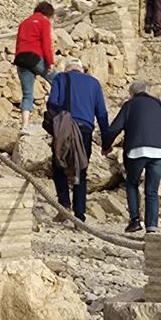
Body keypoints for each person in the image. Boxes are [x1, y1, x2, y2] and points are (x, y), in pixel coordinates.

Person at [108, 78, 161, 233]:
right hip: (159, 152)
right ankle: (151, 227)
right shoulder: (159, 103)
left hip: (136, 152)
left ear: (131, 94)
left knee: (132, 183)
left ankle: (134, 221)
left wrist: (106, 146)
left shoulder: (129, 105)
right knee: (152, 191)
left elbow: (114, 128)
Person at [44, 58, 110, 222]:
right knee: (81, 168)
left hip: (65, 127)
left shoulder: (60, 78)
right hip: (85, 129)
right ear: (81, 69)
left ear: (67, 69)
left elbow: (52, 102)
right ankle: (79, 215)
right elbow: (102, 113)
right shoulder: (94, 83)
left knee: (59, 164)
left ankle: (64, 205)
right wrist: (106, 141)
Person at [13, 1, 56, 132]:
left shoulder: (24, 23)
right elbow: (46, 44)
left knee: (27, 93)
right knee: (58, 81)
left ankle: (24, 125)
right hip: (35, 57)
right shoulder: (44, 22)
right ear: (48, 14)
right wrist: (50, 62)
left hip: (21, 59)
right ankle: (63, 111)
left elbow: (19, 43)